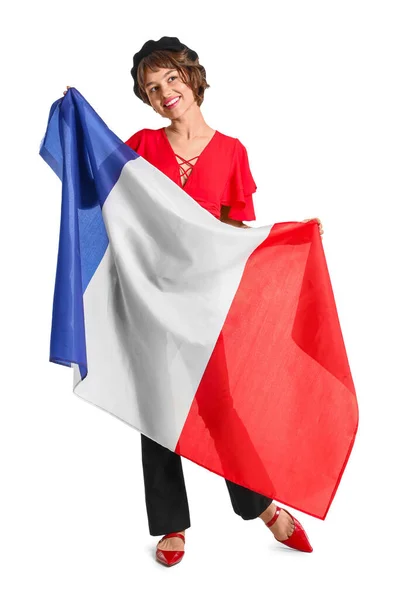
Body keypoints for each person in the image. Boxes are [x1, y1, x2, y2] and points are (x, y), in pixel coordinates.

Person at [63, 36, 324, 568]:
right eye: (151, 88)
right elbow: (102, 196)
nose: (164, 93)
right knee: (154, 406)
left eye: (170, 80)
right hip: (147, 297)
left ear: (190, 76)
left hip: (205, 301)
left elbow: (234, 234)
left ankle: (261, 505)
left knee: (222, 405)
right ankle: (171, 525)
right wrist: (76, 123)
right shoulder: (139, 144)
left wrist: (289, 237)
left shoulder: (232, 152)